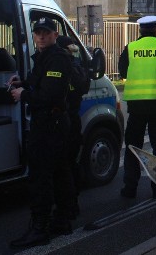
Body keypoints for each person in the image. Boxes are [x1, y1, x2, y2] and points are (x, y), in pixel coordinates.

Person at [9, 17, 75, 249]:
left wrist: (22, 95)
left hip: (49, 125)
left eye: (46, 33)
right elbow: (41, 84)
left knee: (40, 177)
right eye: (38, 33)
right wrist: (24, 83)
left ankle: (40, 228)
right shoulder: (46, 58)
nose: (41, 37)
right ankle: (62, 219)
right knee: (58, 173)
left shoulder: (56, 58)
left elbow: (49, 96)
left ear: (55, 35)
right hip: (52, 123)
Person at [118, 15, 156, 199]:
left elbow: (122, 71)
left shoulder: (131, 48)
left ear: (140, 30)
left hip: (137, 107)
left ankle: (130, 188)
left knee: (132, 148)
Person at [57, 35, 91, 218]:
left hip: (66, 121)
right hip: (71, 120)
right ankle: (71, 203)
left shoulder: (66, 65)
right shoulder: (76, 66)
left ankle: (69, 205)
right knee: (70, 163)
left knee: (66, 165)